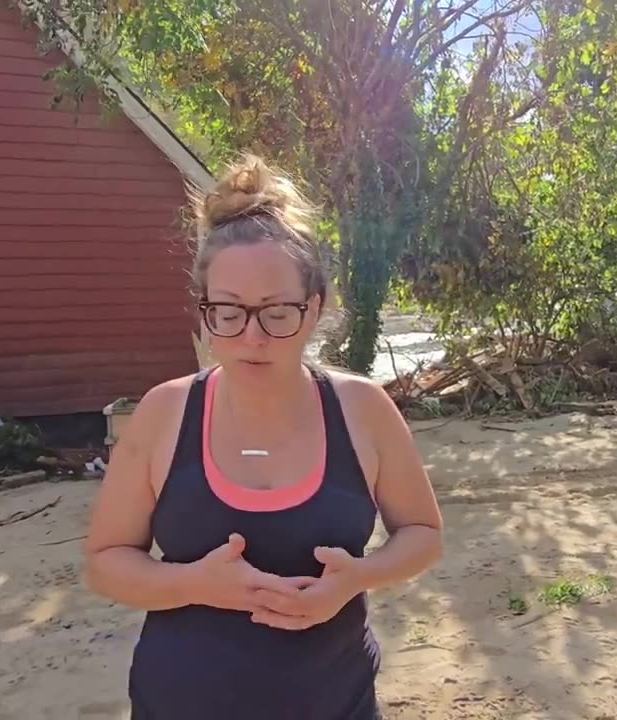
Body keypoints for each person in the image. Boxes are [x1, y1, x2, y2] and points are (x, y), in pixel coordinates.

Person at [82, 154, 444, 719]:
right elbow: (106, 561)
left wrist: (360, 577)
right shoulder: (164, 413)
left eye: (277, 312)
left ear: (315, 308)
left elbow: (422, 532)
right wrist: (195, 585)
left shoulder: (362, 410)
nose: (252, 336)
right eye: (227, 311)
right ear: (203, 313)